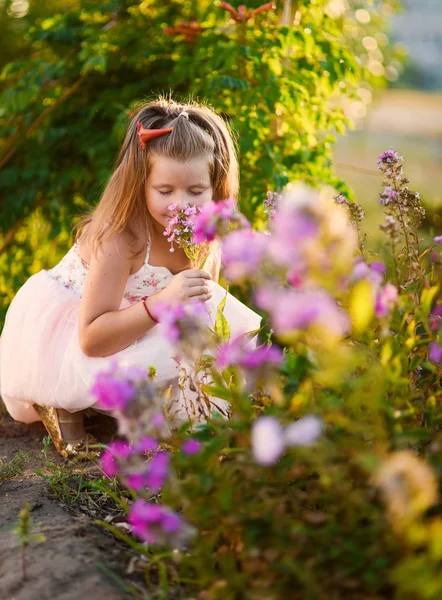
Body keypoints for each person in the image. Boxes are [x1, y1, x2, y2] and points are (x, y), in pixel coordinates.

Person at [0, 97, 261, 458]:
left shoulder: (204, 235)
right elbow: (91, 338)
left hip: (138, 324)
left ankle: (198, 425)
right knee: (85, 375)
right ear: (141, 183)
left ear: (215, 188)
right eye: (164, 191)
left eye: (196, 192)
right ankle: (64, 403)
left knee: (214, 325)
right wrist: (158, 305)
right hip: (79, 333)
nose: (181, 205)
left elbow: (202, 318)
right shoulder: (122, 238)